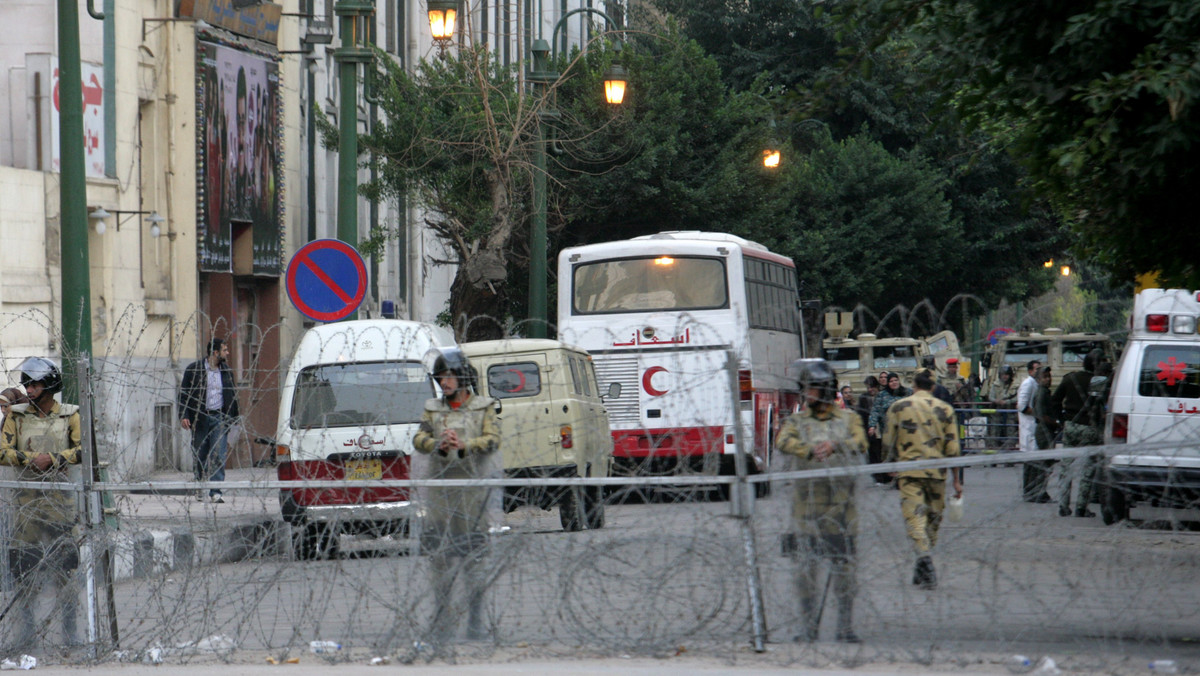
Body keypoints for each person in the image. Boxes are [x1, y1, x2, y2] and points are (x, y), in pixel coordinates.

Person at [775, 359, 868, 643]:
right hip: (807, 511)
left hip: (842, 510)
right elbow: (783, 442)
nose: (808, 394)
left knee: (845, 574)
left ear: (825, 389)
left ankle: (845, 627)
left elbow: (861, 442)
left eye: (812, 389)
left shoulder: (849, 419)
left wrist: (837, 445)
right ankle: (808, 628)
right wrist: (808, 450)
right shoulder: (797, 421)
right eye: (806, 389)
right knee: (806, 575)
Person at [413, 347, 501, 645]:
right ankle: (442, 621)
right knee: (439, 560)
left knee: (473, 560)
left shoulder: (483, 407)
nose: (444, 382)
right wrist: (437, 443)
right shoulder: (433, 409)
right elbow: (419, 437)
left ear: (462, 377)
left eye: (449, 375)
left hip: (472, 493)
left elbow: (492, 440)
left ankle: (475, 620)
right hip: (440, 493)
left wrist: (464, 445)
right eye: (440, 376)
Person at [0, 358, 82, 653]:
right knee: (24, 575)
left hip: (61, 507)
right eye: (27, 385)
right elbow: (3, 451)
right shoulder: (17, 418)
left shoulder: (70, 415)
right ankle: (25, 638)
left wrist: (56, 459)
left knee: (67, 575)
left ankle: (72, 637)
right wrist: (29, 460)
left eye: (34, 384)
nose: (30, 389)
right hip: (26, 507)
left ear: (49, 386)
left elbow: (85, 449)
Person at [883, 368, 963, 590]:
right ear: (934, 387)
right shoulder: (945, 409)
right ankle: (924, 559)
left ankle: (923, 560)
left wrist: (889, 464)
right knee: (934, 519)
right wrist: (956, 480)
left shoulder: (898, 407)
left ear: (914, 386)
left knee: (915, 518)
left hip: (910, 473)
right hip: (937, 473)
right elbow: (953, 447)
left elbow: (889, 439)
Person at [179, 338, 240, 503]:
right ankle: (199, 483)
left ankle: (215, 491)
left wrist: (234, 420)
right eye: (224, 350)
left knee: (218, 454)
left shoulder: (226, 371)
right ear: (215, 353)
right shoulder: (194, 370)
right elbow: (184, 394)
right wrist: (184, 415)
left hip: (220, 417)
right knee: (200, 453)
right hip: (199, 417)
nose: (227, 353)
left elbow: (232, 396)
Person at [1051, 349, 1106, 517]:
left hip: (1071, 426)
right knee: (1088, 469)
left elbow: (1055, 400)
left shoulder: (1070, 378)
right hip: (1090, 428)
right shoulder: (1097, 382)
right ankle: (1081, 507)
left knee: (1066, 467)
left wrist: (1061, 420)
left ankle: (1063, 505)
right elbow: (1101, 405)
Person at [1016, 359, 1052, 502]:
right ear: (1030, 371)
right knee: (1032, 462)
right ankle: (1031, 492)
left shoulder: (1036, 384)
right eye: (1037, 369)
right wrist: (1040, 414)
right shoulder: (1028, 384)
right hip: (1030, 427)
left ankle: (1035, 492)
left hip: (1035, 427)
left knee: (1035, 461)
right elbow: (1022, 406)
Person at [857, 377, 890, 485]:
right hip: (870, 431)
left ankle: (886, 476)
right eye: (868, 387)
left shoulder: (883, 396)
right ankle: (877, 477)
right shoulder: (863, 398)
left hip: (883, 430)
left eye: (872, 387)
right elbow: (861, 415)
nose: (870, 389)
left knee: (883, 453)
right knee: (873, 455)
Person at [988, 365, 1019, 449]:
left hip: (1010, 414)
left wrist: (1008, 402)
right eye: (1003, 374)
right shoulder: (995, 384)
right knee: (995, 433)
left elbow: (1018, 397)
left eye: (1007, 374)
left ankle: (1009, 454)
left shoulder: (1015, 385)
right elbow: (991, 396)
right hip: (997, 413)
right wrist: (996, 401)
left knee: (1010, 433)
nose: (1005, 376)